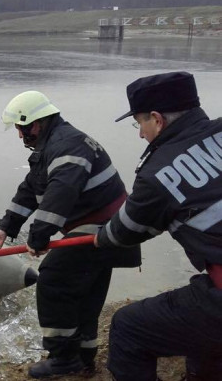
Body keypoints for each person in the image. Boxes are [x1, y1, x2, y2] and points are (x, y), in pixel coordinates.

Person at [0, 91, 141, 378]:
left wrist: (38, 237)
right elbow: (32, 188)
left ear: (37, 123)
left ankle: (64, 358)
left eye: (21, 128)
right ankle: (84, 357)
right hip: (105, 226)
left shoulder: (67, 147)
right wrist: (5, 227)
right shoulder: (54, 144)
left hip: (102, 228)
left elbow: (59, 197)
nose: (20, 136)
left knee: (54, 280)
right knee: (86, 295)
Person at [95, 71, 222, 380]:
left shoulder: (159, 173)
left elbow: (124, 232)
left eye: (139, 123)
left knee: (128, 328)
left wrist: (100, 238)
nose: (140, 134)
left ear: (157, 119)